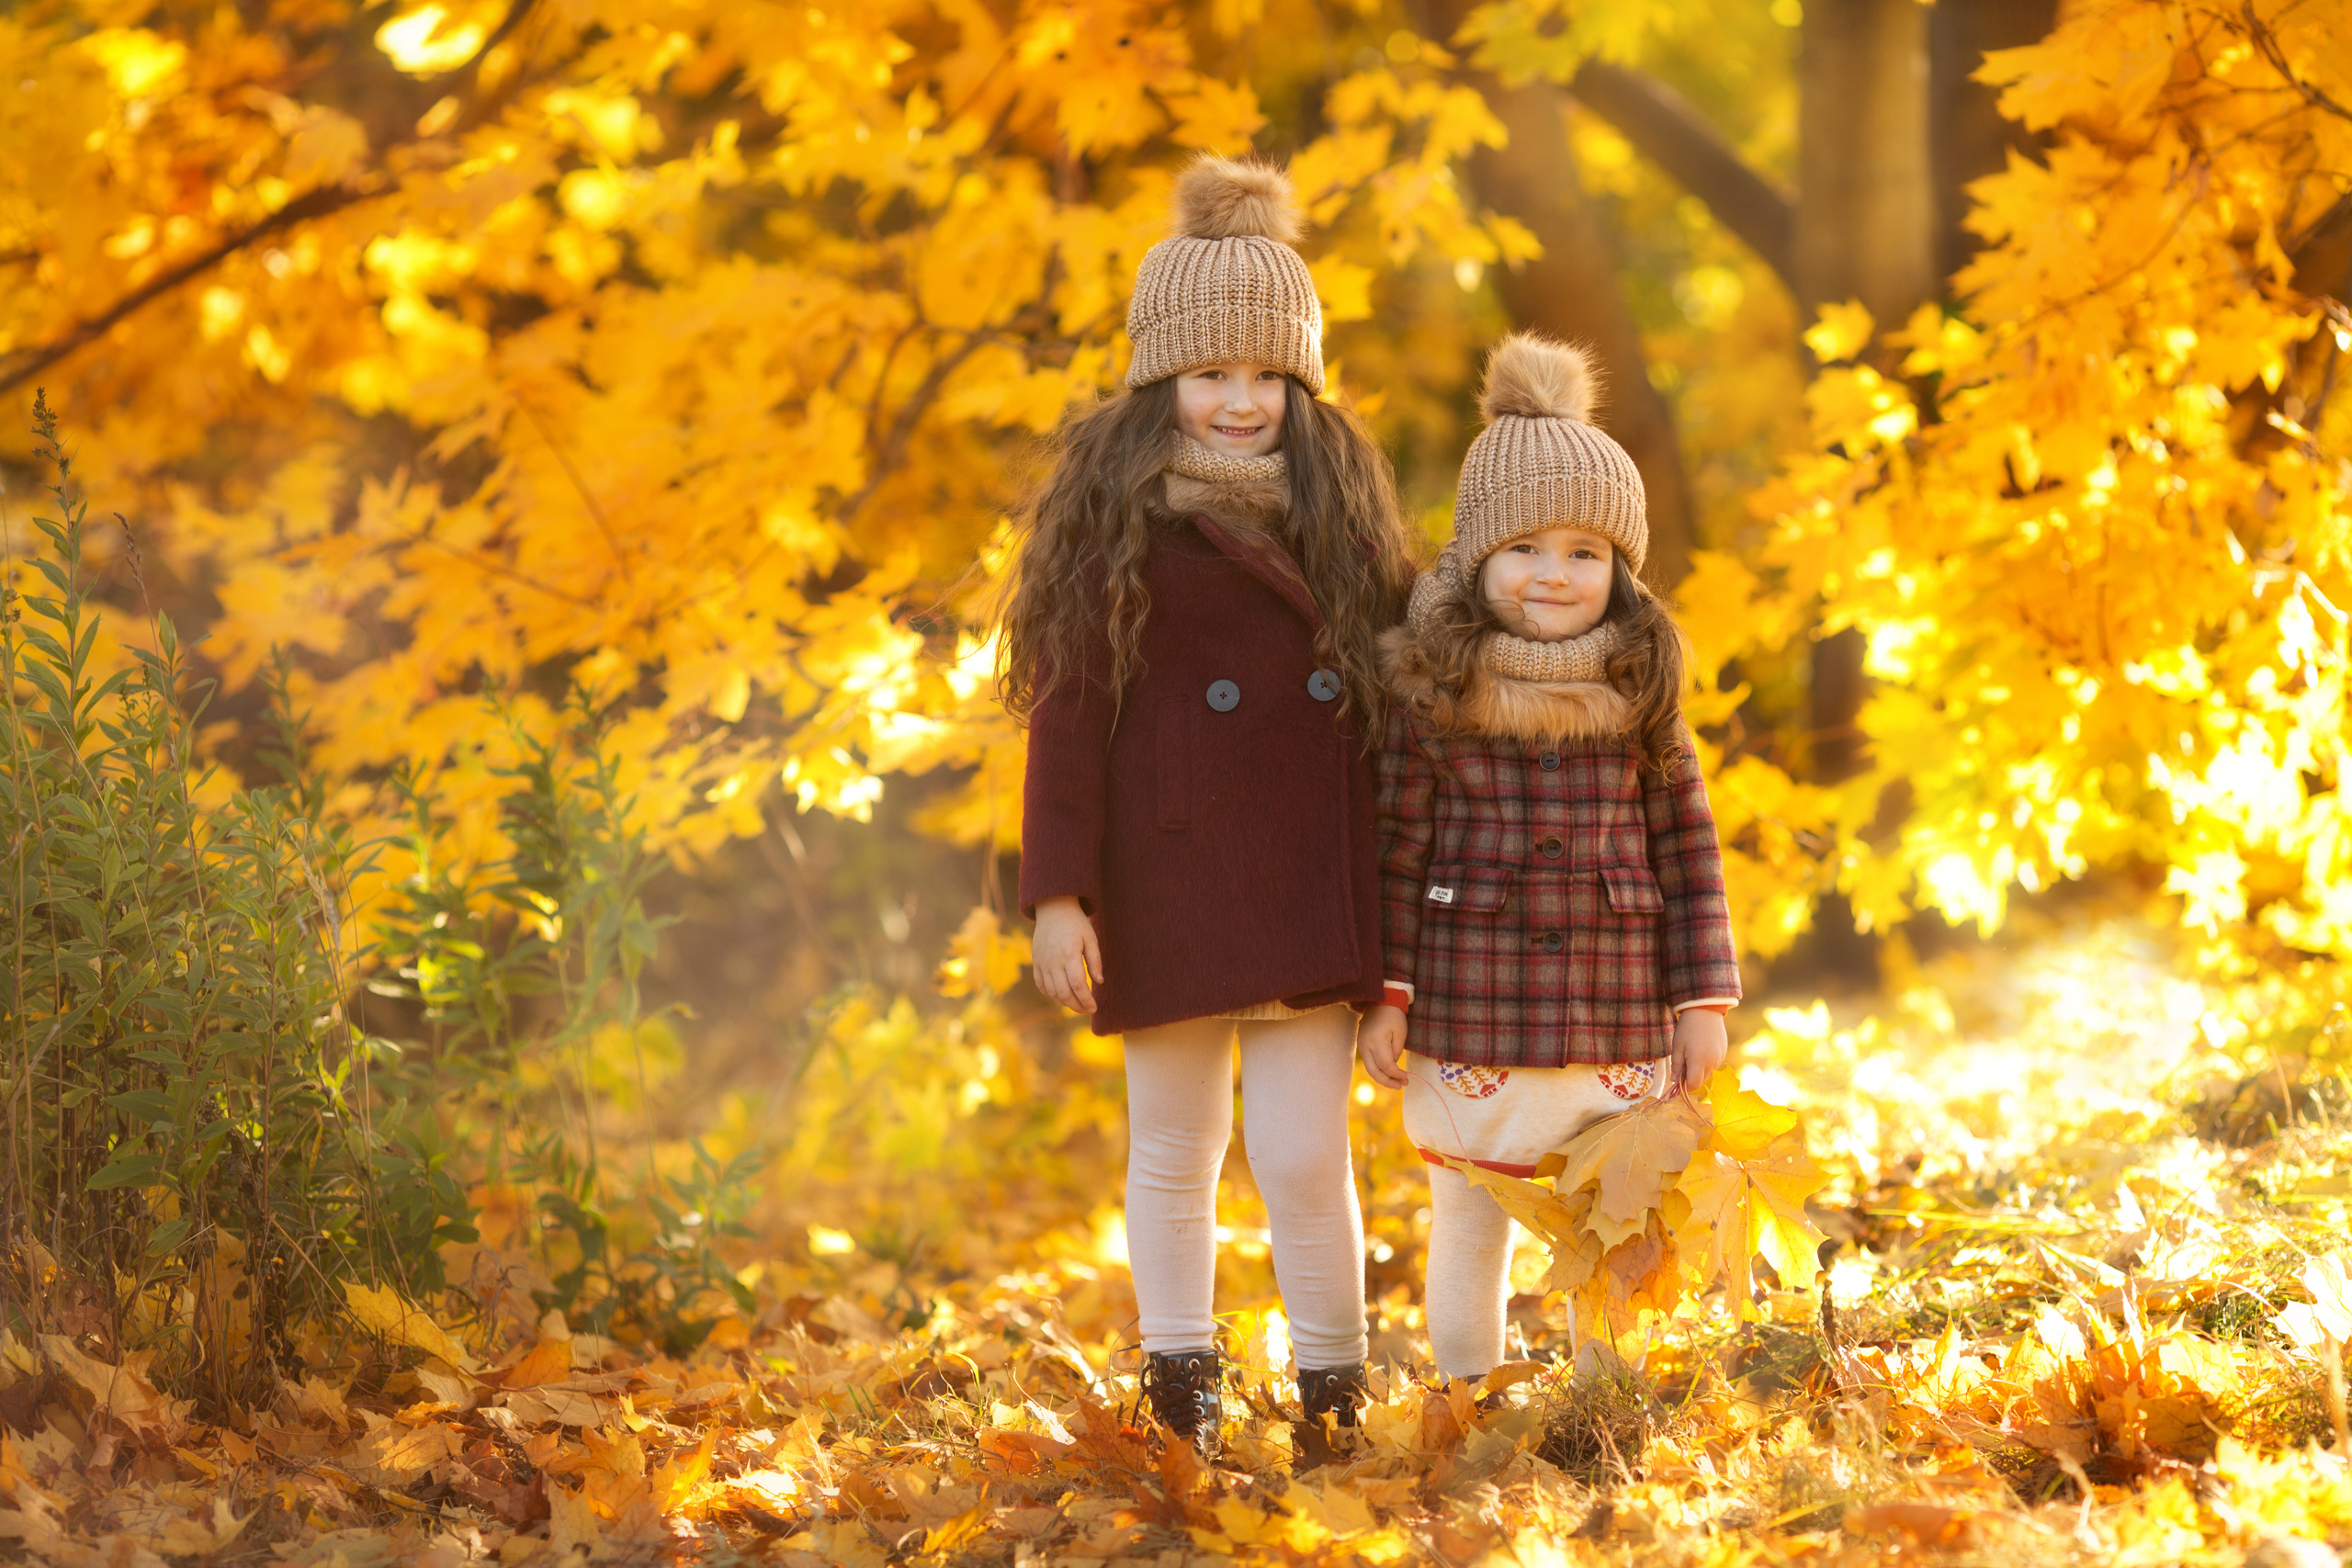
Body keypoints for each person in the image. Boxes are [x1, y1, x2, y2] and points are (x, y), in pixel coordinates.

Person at [999, 155, 1417, 1455]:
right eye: (1210, 374)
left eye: (1265, 377)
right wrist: (1057, 891)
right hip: (1165, 875)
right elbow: (1067, 719)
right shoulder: (1112, 523)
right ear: (1160, 378)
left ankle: (1332, 1391)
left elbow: (1403, 723)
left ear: (1301, 383)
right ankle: (1179, 1382)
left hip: (1307, 880)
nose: (1239, 402)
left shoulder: (1346, 519)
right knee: (1174, 1148)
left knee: (1303, 1154)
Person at [1355, 333, 1742, 1382]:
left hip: (1612, 1007)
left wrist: (1700, 998)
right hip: (1467, 1005)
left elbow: (1687, 849)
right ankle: (1465, 1393)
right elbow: (1396, 850)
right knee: (1470, 1220)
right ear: (1476, 559)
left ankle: (1600, 1397)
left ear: (1620, 570)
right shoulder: (1435, 692)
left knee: (1609, 1223)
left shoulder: (1641, 692)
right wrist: (1384, 993)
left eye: (1584, 552)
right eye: (1524, 548)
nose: (1552, 574)